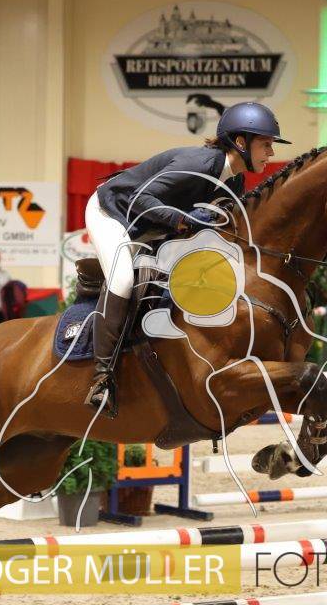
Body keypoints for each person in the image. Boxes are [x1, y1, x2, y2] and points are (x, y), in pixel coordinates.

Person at [83, 101, 289, 416]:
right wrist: (182, 219)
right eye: (266, 144)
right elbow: (141, 198)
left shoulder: (234, 181)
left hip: (150, 226)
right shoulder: (199, 163)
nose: (271, 153)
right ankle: (101, 377)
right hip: (113, 212)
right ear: (240, 142)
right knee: (123, 280)